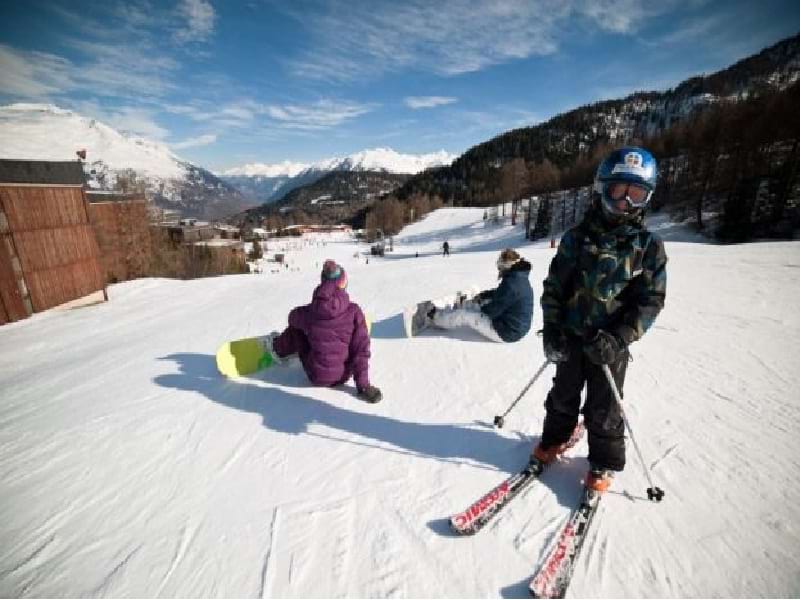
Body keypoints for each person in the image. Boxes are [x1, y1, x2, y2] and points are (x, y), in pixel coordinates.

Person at [531, 146, 667, 493]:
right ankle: (556, 438)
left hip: (609, 345)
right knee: (562, 394)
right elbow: (555, 286)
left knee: (605, 406)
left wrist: (620, 336)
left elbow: (650, 301)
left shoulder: (648, 246)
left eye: (635, 195)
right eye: (618, 191)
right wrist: (553, 329)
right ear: (602, 189)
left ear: (647, 198)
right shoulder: (577, 238)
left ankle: (604, 460)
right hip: (571, 335)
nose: (624, 203)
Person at [269, 260, 382, 403]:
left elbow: (292, 317)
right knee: (357, 341)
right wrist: (364, 386)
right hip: (343, 375)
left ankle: (277, 348)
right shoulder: (354, 311)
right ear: (343, 284)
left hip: (316, 375)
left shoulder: (309, 312)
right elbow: (361, 350)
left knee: (295, 330)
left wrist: (311, 322)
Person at [427, 248, 533, 343]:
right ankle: (464, 305)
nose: (499, 269)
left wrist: (478, 308)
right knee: (482, 302)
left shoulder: (512, 283)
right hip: (516, 327)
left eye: (500, 265)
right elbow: (501, 293)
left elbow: (492, 311)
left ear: (506, 265)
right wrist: (483, 295)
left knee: (465, 315)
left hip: (507, 332)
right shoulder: (518, 277)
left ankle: (435, 318)